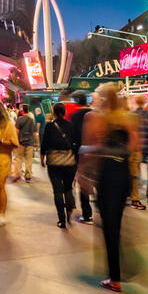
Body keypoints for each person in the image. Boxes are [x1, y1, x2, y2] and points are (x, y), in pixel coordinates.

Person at [79, 83, 139, 291]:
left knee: (108, 227)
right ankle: (118, 272)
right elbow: (134, 146)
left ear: (102, 99)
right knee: (116, 224)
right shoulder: (127, 118)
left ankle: (115, 277)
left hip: (106, 176)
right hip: (123, 175)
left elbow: (91, 147)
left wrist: (84, 173)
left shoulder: (95, 118)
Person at [41, 103, 78, 227]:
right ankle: (69, 210)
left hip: (54, 162)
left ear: (54, 113)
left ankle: (61, 220)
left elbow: (44, 143)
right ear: (65, 112)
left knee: (57, 190)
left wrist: (42, 158)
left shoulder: (49, 126)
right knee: (68, 188)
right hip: (69, 162)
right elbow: (77, 143)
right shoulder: (71, 125)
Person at [68, 91, 93, 223]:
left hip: (80, 154)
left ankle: (87, 214)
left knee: (83, 184)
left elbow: (71, 137)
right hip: (95, 153)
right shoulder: (95, 114)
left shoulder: (74, 116)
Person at [13, 105, 37, 183]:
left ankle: (18, 174)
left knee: (19, 158)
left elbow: (16, 131)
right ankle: (28, 176)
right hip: (30, 142)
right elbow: (34, 132)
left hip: (21, 142)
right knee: (29, 159)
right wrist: (37, 141)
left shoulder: (19, 119)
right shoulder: (31, 120)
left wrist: (15, 140)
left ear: (22, 111)